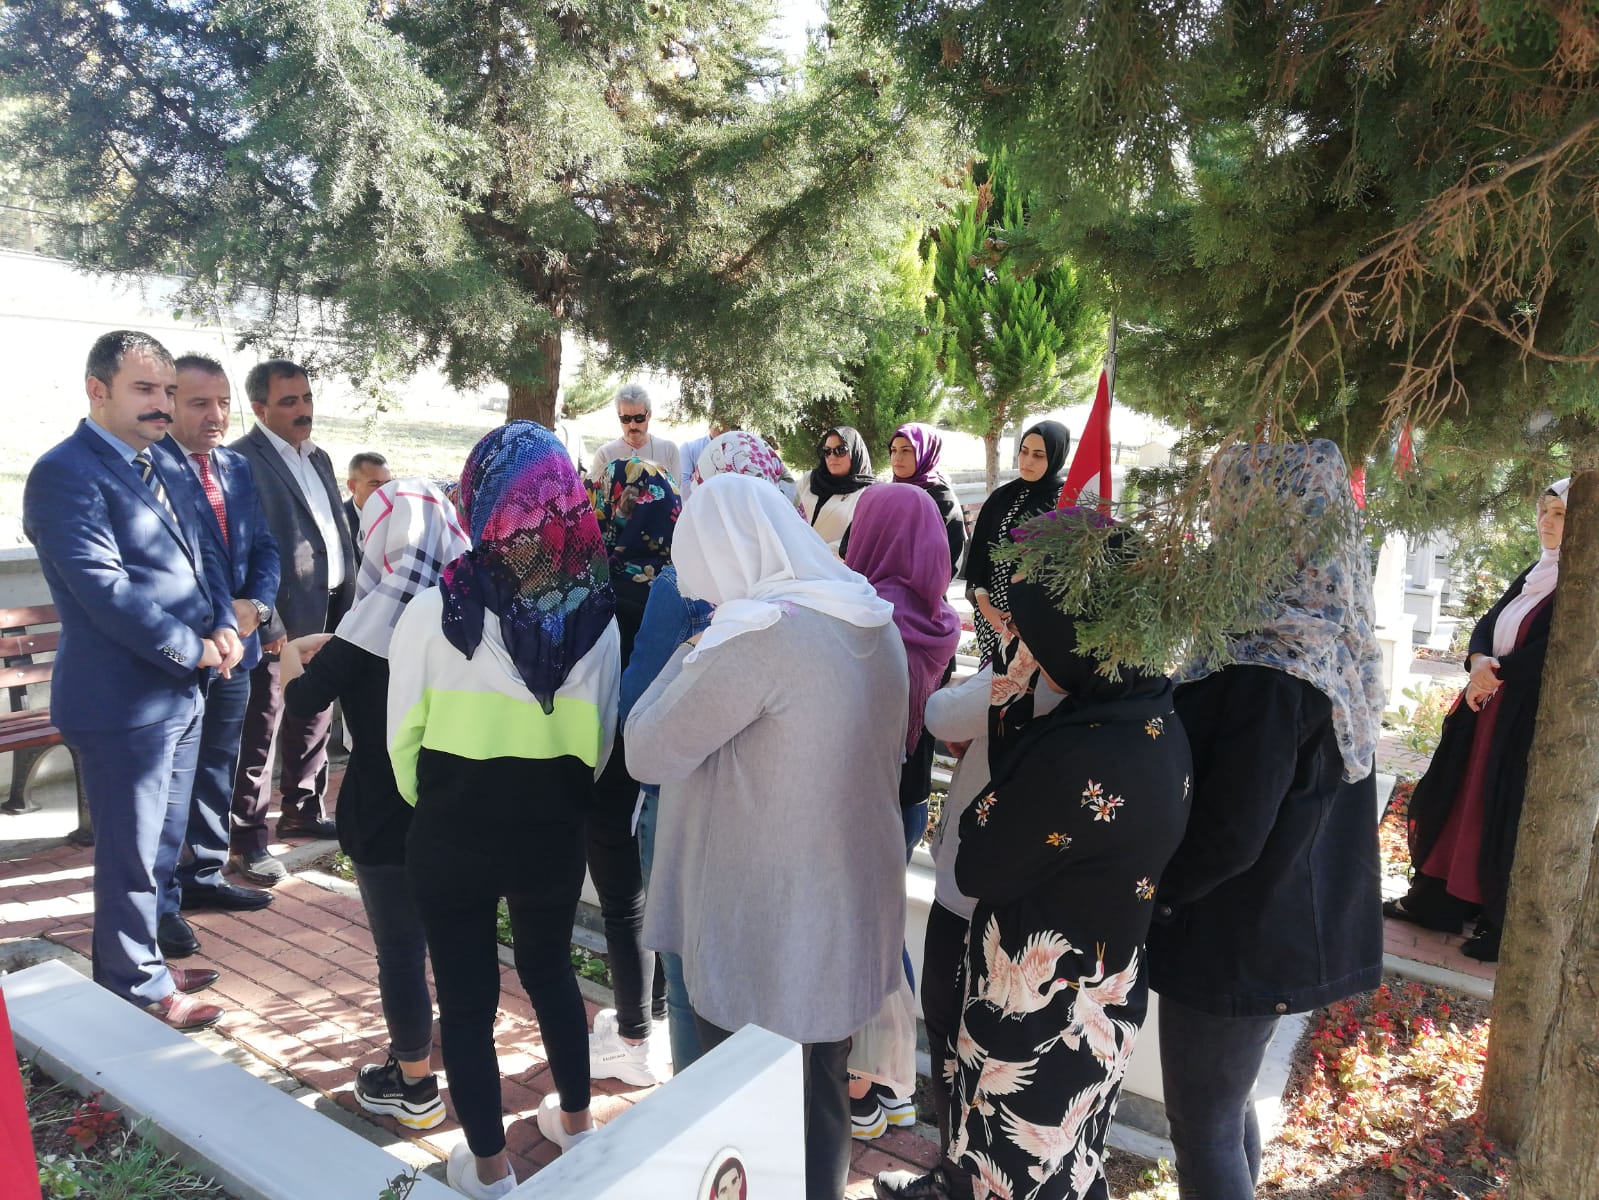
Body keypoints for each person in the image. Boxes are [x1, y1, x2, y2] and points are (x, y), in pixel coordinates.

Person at [627, 472, 907, 1200]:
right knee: (819, 1087)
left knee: (750, 1110)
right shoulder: (865, 615)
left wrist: (692, 646)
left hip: (767, 918)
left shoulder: (757, 635)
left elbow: (646, 749)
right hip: (844, 901)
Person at [875, 567, 1191, 1200]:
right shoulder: (1152, 717)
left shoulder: (1076, 756)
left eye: (1037, 639)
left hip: (1035, 1008)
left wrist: (1007, 726)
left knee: (1012, 1164)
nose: (1027, 652)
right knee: (1068, 1161)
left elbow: (978, 859)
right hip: (1105, 986)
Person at [387, 422, 620, 1198]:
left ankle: (488, 1169)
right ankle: (578, 1125)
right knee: (553, 972)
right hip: (551, 829)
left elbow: (400, 743)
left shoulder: (431, 613)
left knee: (464, 999)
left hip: (453, 830)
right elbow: (600, 740)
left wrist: (445, 803)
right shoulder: (596, 618)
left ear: (480, 496)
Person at [1148, 441, 1384, 1200]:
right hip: (1271, 929)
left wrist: (1158, 893)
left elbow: (1231, 833)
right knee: (1224, 1109)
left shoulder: (1266, 666)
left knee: (1203, 1127)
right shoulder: (1322, 636)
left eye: (1231, 506)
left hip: (1231, 934)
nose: (1218, 523)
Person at [23, 330, 243, 1031]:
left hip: (182, 691)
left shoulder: (167, 463)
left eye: (167, 392)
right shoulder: (65, 473)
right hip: (122, 698)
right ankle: (133, 984)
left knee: (161, 843)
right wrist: (194, 649)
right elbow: (104, 590)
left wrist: (224, 626)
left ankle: (142, 955)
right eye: (145, 390)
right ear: (98, 390)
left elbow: (206, 557)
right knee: (131, 850)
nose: (162, 405)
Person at [280, 478, 469, 1132]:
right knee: (453, 942)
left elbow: (303, 702)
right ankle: (460, 1064)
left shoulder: (369, 621)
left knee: (400, 950)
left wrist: (287, 656)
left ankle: (414, 1085)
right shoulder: (473, 608)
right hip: (457, 806)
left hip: (383, 808)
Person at [619, 431, 792, 1074]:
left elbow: (639, 706)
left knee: (689, 973)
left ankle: (696, 1119)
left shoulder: (685, 581)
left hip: (683, 802)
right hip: (766, 808)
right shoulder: (804, 582)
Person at [1385, 478, 1570, 962]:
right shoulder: (1539, 571)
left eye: (1561, 515)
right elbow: (1490, 621)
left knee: (1503, 811)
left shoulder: (1579, 583)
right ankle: (1438, 903)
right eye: (1545, 511)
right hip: (1488, 704)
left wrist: (1495, 673)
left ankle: (1495, 920)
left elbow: (1553, 649)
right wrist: (1478, 661)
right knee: (1462, 797)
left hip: (1522, 719)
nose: (1547, 523)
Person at [842, 482, 962, 1139]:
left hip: (866, 794)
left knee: (859, 937)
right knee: (883, 931)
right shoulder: (937, 616)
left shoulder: (871, 614)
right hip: (910, 794)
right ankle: (895, 1083)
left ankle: (860, 1089)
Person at [153, 354, 280, 934]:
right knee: (169, 782)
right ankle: (161, 901)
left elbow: (265, 549)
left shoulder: (233, 468)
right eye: (200, 403)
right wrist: (220, 620)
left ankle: (204, 872)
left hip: (240, 649)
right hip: (183, 651)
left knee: (217, 765)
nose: (216, 415)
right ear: (170, 403)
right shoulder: (148, 468)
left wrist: (257, 607)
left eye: (223, 402)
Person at [228, 359, 359, 859]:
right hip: (277, 622)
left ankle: (303, 811)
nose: (303, 410)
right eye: (289, 402)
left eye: (306, 398)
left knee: (314, 716)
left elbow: (335, 535)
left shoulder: (319, 457)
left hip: (328, 611)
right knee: (260, 730)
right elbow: (244, 551)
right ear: (259, 408)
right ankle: (249, 836)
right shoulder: (241, 462)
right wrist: (269, 622)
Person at [584, 456, 680, 1088]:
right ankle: (656, 1015)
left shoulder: (591, 587)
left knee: (622, 902)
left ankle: (634, 1037)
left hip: (608, 758)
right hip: (669, 760)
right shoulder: (683, 582)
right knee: (661, 892)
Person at [963, 421, 1070, 663]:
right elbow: (980, 557)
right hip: (991, 616)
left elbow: (1060, 573)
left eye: (1038, 455)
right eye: (1024, 451)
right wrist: (985, 605)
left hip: (1036, 625)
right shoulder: (1002, 497)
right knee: (991, 685)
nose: (1027, 461)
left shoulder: (1064, 503)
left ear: (1055, 457)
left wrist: (1024, 615)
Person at [888, 423, 967, 576]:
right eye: (893, 450)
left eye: (906, 450)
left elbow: (948, 561)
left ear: (925, 453)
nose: (897, 458)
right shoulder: (886, 493)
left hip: (922, 593)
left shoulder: (941, 499)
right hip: (878, 590)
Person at [794, 426, 875, 553]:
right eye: (827, 451)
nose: (832, 456)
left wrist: (814, 555)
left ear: (855, 451)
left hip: (831, 566)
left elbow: (855, 540)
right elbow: (787, 510)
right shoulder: (810, 480)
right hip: (790, 557)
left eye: (840, 450)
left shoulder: (867, 493)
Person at [589, 382, 682, 483]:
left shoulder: (668, 451)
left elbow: (677, 495)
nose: (632, 425)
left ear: (649, 415)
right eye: (626, 419)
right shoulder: (605, 455)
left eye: (639, 418)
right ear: (619, 416)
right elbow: (595, 496)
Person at [345, 451, 392, 547]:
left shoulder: (397, 517)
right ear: (352, 486)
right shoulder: (337, 523)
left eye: (388, 483)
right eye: (375, 484)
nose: (384, 490)